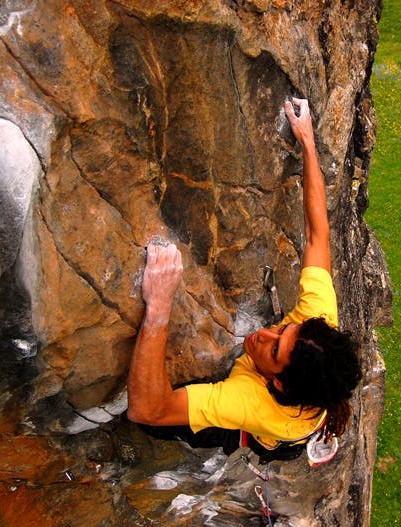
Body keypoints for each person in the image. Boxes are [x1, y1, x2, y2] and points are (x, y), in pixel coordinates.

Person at [127, 98, 362, 462]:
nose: (264, 334)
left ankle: (260, 444)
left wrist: (158, 307)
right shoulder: (316, 329)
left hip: (274, 432)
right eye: (285, 330)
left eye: (273, 349)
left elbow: (147, 409)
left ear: (278, 383)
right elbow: (318, 234)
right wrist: (308, 144)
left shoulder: (252, 404)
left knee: (157, 425)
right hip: (302, 407)